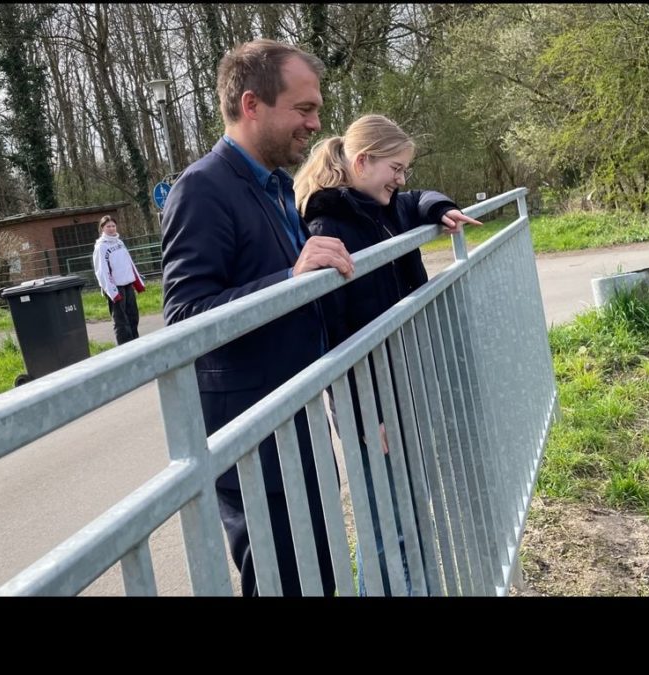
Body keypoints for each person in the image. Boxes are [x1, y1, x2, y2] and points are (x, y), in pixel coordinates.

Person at [160, 39, 355, 597]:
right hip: (253, 443)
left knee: (320, 576)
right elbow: (184, 319)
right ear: (251, 105)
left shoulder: (273, 186)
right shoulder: (201, 189)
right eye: (303, 109)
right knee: (283, 584)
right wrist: (290, 281)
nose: (316, 124)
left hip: (297, 421)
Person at [293, 113, 481, 595]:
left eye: (405, 171)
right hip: (368, 403)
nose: (401, 180)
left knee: (409, 510)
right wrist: (362, 416)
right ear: (362, 162)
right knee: (385, 524)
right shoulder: (329, 224)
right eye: (395, 169)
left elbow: (419, 200)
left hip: (399, 382)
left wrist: (442, 207)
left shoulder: (384, 205)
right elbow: (334, 335)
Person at [92, 214, 146, 345]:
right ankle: (125, 347)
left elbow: (129, 263)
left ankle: (135, 343)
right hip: (115, 288)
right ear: (102, 229)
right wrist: (112, 291)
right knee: (121, 321)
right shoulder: (101, 247)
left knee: (133, 316)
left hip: (127, 285)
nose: (111, 228)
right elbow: (102, 271)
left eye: (113, 226)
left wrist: (137, 282)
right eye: (108, 226)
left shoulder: (120, 243)